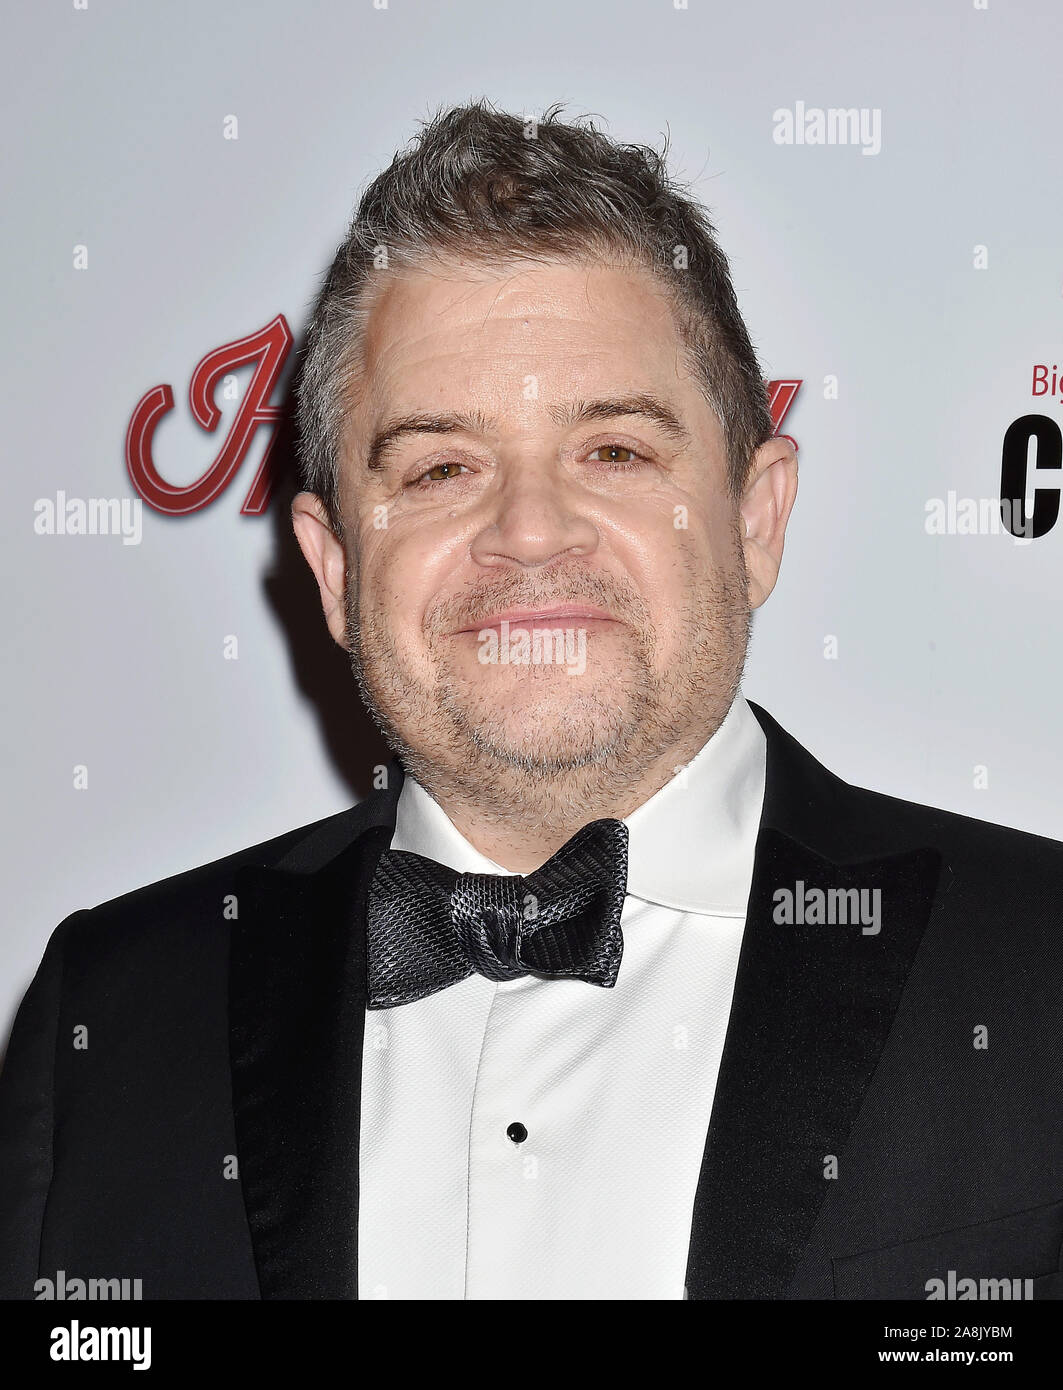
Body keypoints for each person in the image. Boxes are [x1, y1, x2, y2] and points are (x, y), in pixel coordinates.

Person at [2, 100, 1061, 1302]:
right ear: (336, 570)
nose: (529, 530)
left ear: (755, 520)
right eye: (441, 466)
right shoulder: (115, 1009)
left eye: (613, 450)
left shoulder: (1037, 968)